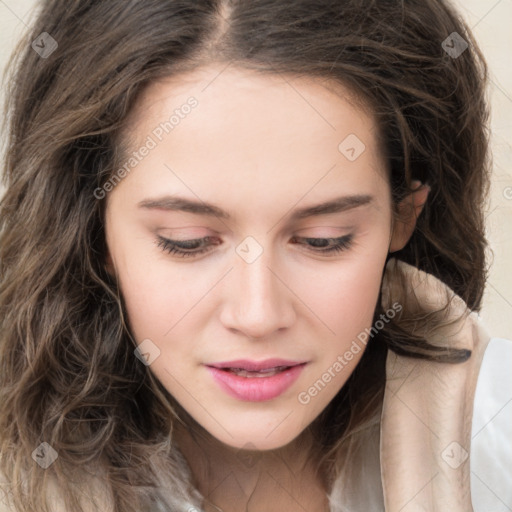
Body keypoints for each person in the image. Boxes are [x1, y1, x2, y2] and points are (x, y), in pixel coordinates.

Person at [0, 1, 510, 511]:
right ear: (92, 230)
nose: (258, 315)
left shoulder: (496, 435)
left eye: (323, 239)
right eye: (187, 241)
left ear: (403, 217)